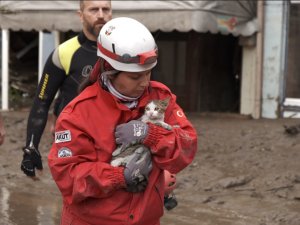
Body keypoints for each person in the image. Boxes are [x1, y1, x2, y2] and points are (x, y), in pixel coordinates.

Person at [48, 17, 198, 225]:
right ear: (110, 71)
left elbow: (187, 145)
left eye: (148, 73)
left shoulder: (160, 98)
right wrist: (119, 176)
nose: (144, 82)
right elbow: (67, 175)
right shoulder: (78, 113)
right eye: (135, 77)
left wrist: (151, 135)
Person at [20, 0, 112, 177]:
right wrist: (31, 146)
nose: (101, 15)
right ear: (81, 15)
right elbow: (41, 101)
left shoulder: (121, 50)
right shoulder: (64, 52)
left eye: (105, 9)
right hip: (73, 139)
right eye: (94, 9)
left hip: (111, 139)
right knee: (76, 196)